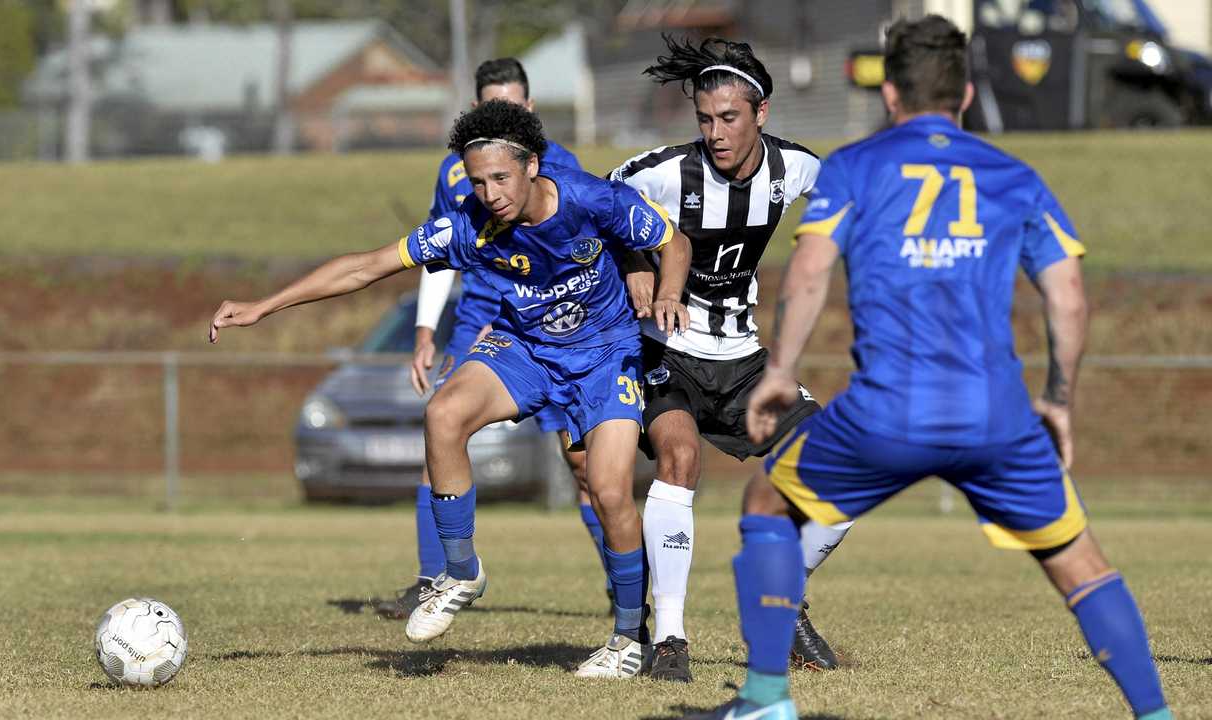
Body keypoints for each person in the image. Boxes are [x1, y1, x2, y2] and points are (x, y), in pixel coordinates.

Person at [696, 15, 1172, 719]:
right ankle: (1156, 715)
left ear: (890, 94)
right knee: (1082, 564)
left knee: (767, 502)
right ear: (968, 94)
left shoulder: (856, 165)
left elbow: (809, 271)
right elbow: (1068, 295)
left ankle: (767, 699)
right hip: (996, 417)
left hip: (885, 412)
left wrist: (780, 368)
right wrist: (1060, 400)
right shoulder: (1014, 175)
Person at [209, 99, 693, 679]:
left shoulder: (591, 200)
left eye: (500, 178)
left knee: (610, 491)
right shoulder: (468, 224)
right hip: (527, 349)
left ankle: (625, 639)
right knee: (443, 413)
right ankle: (461, 571)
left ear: (532, 165)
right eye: (478, 180)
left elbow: (675, 242)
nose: (489, 193)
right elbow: (366, 267)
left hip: (604, 355)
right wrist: (264, 306)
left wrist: (667, 291)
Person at [608, 35, 847, 682]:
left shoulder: (797, 169)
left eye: (729, 118)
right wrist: (634, 262)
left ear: (761, 114)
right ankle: (671, 639)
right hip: (671, 354)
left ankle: (782, 600)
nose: (714, 133)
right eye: (705, 120)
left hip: (745, 362)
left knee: (841, 466)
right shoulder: (661, 172)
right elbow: (599, 205)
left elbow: (854, 209)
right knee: (680, 457)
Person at [375, 57, 614, 622]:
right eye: (488, 106)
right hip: (479, 321)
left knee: (584, 465)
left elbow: (592, 249)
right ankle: (438, 578)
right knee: (440, 434)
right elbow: (435, 252)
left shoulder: (561, 169)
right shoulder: (456, 172)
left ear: (528, 109)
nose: (499, 114)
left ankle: (622, 583)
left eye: (509, 104)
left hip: (557, 325)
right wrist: (426, 329)